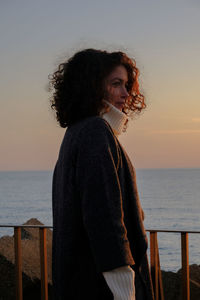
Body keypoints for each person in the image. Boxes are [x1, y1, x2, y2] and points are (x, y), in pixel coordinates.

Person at [49, 48, 154, 300]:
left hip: (80, 279)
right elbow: (103, 213)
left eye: (126, 85)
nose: (125, 93)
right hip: (101, 285)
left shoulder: (77, 132)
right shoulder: (95, 132)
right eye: (116, 84)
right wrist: (123, 284)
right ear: (92, 87)